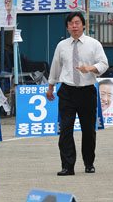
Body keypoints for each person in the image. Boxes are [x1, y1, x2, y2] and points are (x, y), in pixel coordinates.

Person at [46, 11, 108, 176]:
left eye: (77, 23)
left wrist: (91, 68)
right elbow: (56, 66)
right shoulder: (62, 46)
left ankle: (89, 163)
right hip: (67, 91)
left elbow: (104, 63)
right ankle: (68, 166)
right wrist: (51, 86)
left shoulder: (93, 44)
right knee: (65, 129)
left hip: (87, 91)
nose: (74, 26)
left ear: (83, 25)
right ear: (67, 27)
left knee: (88, 130)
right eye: (71, 23)